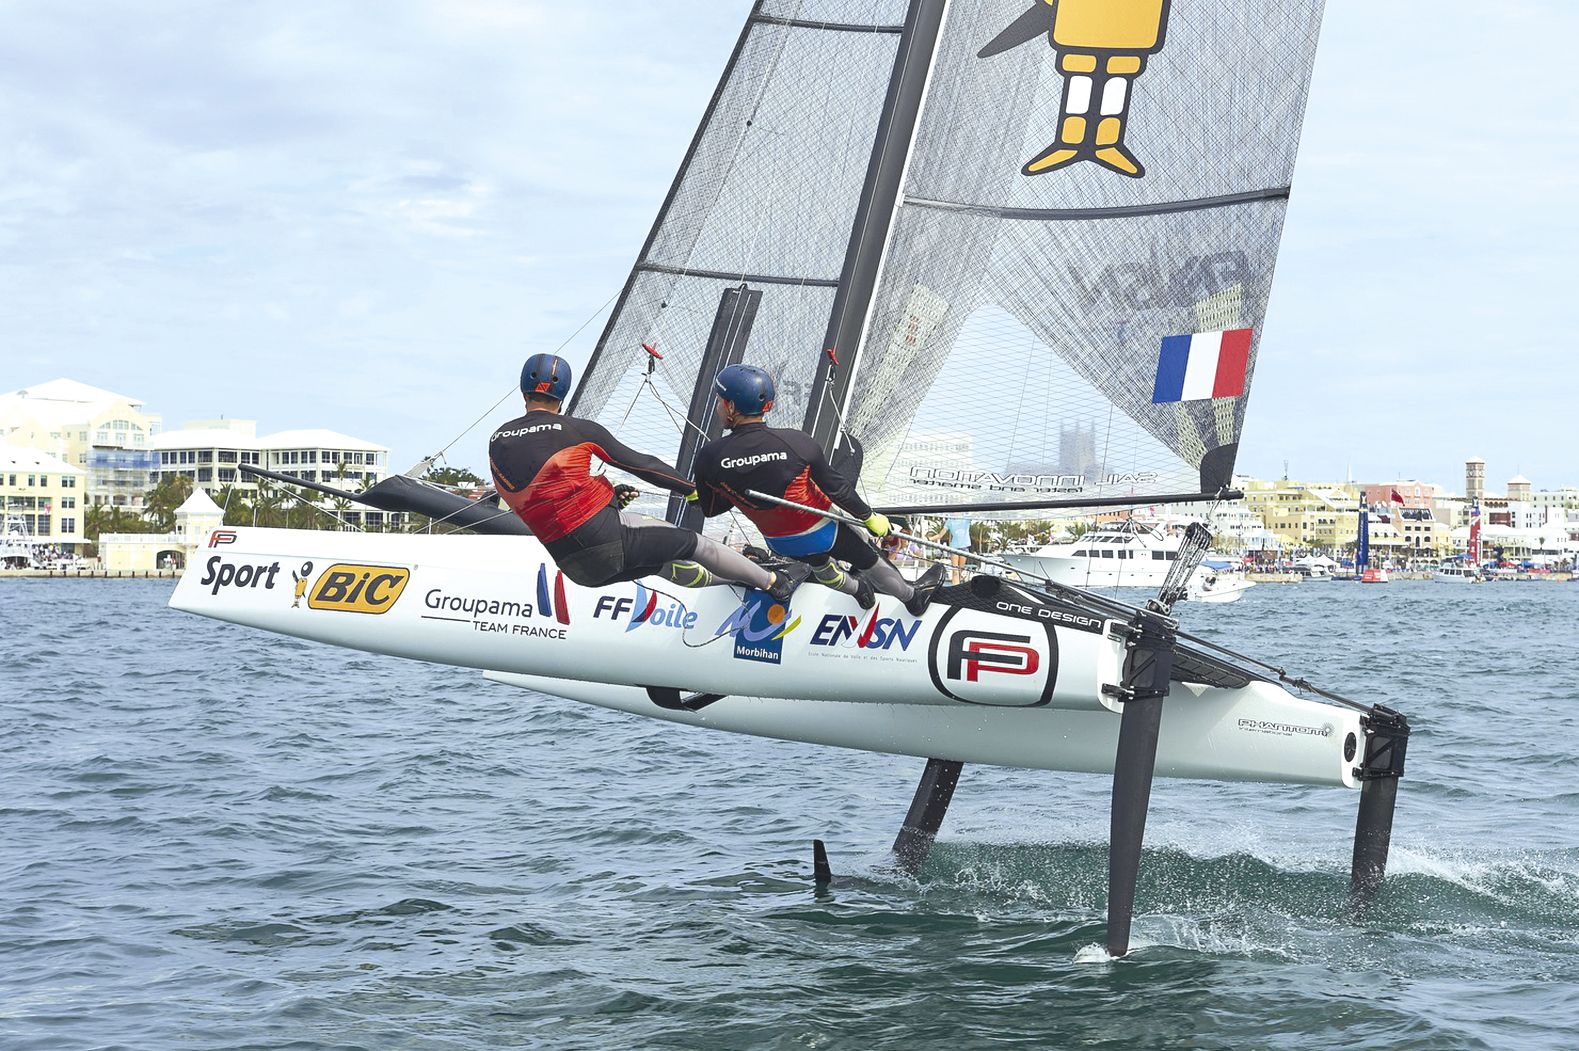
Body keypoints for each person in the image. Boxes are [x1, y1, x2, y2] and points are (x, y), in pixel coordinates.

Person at [489, 354, 809, 601]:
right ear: (564, 391)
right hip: (608, 543)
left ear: (524, 389)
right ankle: (775, 583)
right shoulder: (577, 429)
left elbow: (545, 503)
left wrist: (611, 500)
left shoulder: (497, 441)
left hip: (577, 567)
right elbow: (644, 465)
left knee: (669, 564)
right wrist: (690, 490)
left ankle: (746, 575)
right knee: (693, 544)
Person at [692, 364, 944, 615]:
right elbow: (837, 489)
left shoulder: (709, 457)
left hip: (780, 542)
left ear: (732, 407)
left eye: (719, 401)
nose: (718, 407)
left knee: (819, 562)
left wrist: (723, 488)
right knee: (867, 556)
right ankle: (913, 597)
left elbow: (712, 509)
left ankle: (860, 592)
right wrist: (868, 516)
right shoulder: (796, 442)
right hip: (820, 532)